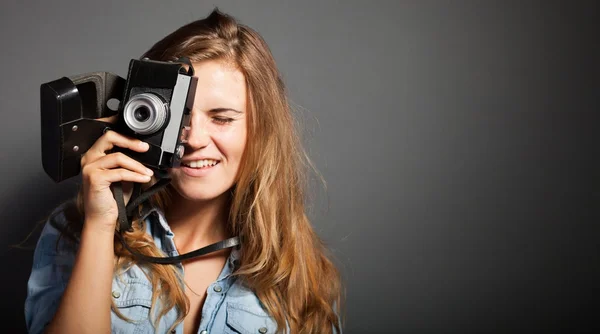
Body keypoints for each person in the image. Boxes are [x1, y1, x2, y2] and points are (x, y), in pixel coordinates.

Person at [25, 8, 344, 334]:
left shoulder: (301, 270)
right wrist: (101, 226)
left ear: (260, 129)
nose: (194, 140)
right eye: (180, 116)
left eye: (221, 118)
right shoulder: (76, 231)